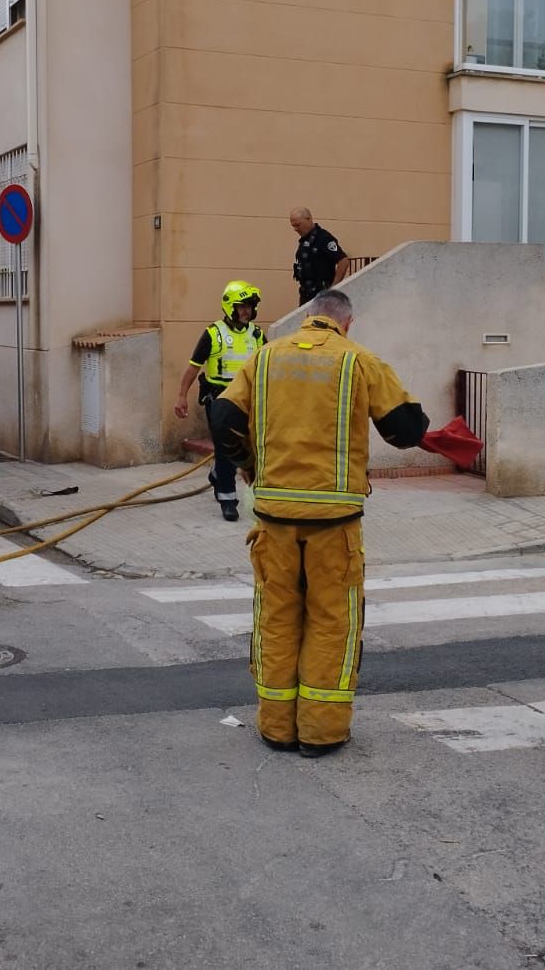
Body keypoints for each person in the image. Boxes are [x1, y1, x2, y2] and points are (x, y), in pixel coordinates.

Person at [210, 289, 429, 758]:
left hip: (273, 519)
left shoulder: (266, 358)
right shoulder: (358, 360)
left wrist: (248, 462)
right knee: (332, 622)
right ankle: (321, 732)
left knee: (277, 617)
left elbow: (223, 414)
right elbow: (407, 429)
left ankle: (275, 727)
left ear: (309, 319)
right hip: (334, 521)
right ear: (347, 323)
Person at [173, 280, 266, 522]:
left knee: (249, 446)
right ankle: (227, 498)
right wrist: (182, 396)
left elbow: (267, 366)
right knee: (225, 449)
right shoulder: (213, 334)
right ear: (229, 307)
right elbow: (193, 368)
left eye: (250, 306)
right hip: (220, 399)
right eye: (242, 306)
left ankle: (220, 475)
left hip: (247, 398)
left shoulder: (257, 335)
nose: (247, 311)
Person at [289, 207, 349, 306]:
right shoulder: (305, 241)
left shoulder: (323, 238)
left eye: (297, 225)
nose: (295, 229)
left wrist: (333, 289)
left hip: (322, 296)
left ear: (308, 219)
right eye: (293, 226)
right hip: (306, 296)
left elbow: (343, 261)